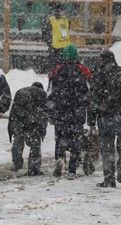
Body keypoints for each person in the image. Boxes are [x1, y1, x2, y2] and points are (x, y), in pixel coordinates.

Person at [88, 50, 121, 189]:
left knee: (107, 149)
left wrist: (92, 120)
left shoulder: (98, 76)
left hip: (105, 117)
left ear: (102, 60)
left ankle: (109, 178)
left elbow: (93, 99)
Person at [47, 44, 92, 179]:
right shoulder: (83, 71)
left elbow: (50, 93)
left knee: (60, 138)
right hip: (77, 112)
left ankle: (60, 159)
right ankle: (72, 169)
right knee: (76, 139)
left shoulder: (56, 71)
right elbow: (89, 93)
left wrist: (51, 110)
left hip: (60, 111)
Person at [8, 82, 49, 176]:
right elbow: (44, 112)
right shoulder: (42, 93)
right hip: (33, 122)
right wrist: (41, 128)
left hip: (19, 121)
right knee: (35, 145)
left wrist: (12, 124)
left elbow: (14, 109)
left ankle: (17, 163)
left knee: (18, 142)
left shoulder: (20, 91)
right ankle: (34, 169)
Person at [42, 4, 71, 71]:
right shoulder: (51, 20)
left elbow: (67, 31)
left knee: (65, 68)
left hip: (65, 48)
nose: (63, 12)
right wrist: (50, 43)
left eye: (64, 11)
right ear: (57, 11)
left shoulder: (66, 20)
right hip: (55, 49)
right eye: (61, 11)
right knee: (55, 68)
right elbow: (45, 33)